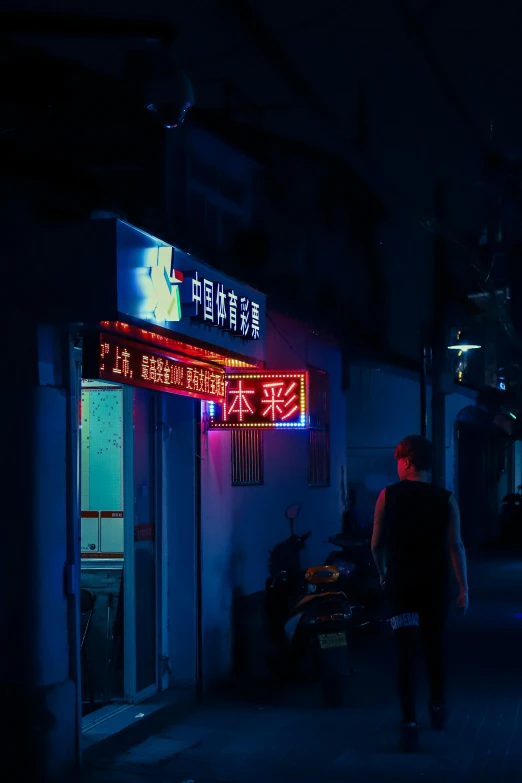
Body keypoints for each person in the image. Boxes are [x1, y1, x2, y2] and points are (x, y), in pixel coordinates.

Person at [371, 434, 469, 753]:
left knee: (404, 653)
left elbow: (376, 544)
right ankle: (438, 706)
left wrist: (383, 572)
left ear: (408, 462)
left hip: (401, 589)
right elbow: (456, 545)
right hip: (434, 589)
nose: (397, 467)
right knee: (433, 647)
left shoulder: (388, 495)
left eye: (399, 461)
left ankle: (409, 723)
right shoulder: (446, 499)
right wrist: (464, 587)